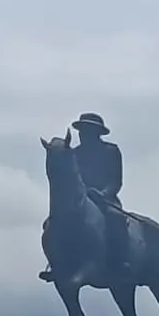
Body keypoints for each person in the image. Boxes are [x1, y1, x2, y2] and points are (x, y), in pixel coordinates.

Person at [40, 113, 132, 282]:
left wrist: (103, 193)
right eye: (82, 131)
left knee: (116, 218)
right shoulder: (73, 154)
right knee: (50, 224)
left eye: (87, 131)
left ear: (96, 133)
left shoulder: (110, 151)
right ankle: (56, 263)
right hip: (80, 200)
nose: (83, 134)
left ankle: (120, 260)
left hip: (105, 199)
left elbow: (116, 180)